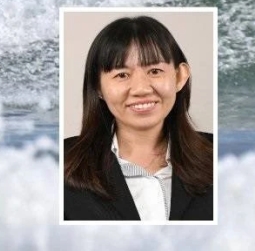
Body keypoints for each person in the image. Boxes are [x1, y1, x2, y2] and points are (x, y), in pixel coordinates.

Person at [63, 15, 213, 221]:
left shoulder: (226, 157)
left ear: (179, 76)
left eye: (155, 70)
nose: (141, 88)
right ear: (97, 87)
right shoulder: (59, 164)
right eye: (122, 75)